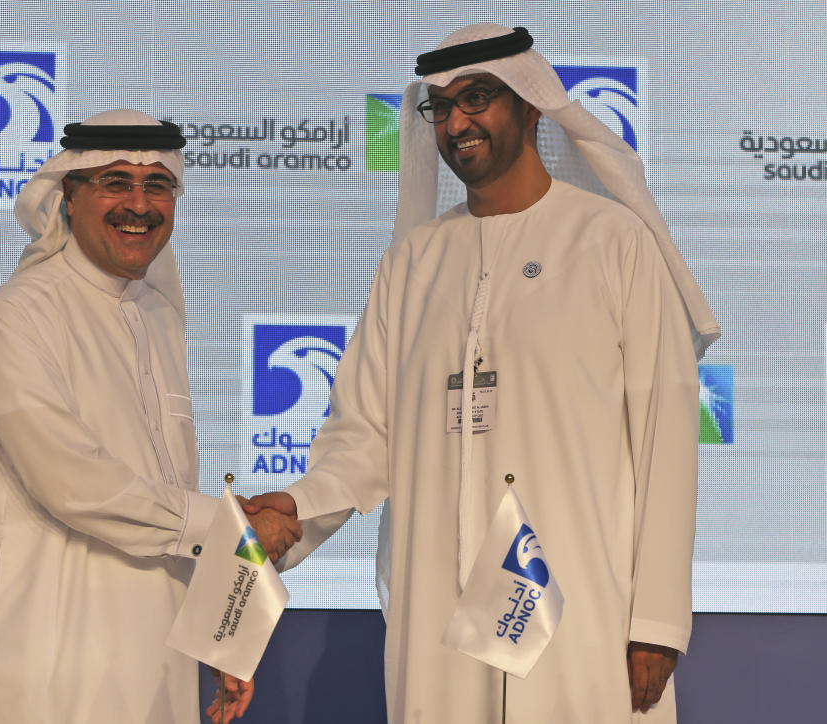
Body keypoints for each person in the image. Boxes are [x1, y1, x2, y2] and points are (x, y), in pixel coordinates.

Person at [244, 23, 720, 723]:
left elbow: (665, 447)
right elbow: (364, 432)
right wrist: (300, 506)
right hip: (438, 605)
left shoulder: (614, 244)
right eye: (441, 106)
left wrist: (657, 622)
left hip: (579, 607)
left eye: (478, 98)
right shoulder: (413, 263)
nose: (457, 122)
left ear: (530, 106)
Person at [0, 110, 301, 724]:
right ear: (70, 196)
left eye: (157, 185)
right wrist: (228, 529)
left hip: (157, 666)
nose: (138, 204)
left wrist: (223, 628)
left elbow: (165, 500)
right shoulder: (20, 315)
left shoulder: (158, 318)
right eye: (115, 181)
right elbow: (75, 483)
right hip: (52, 669)